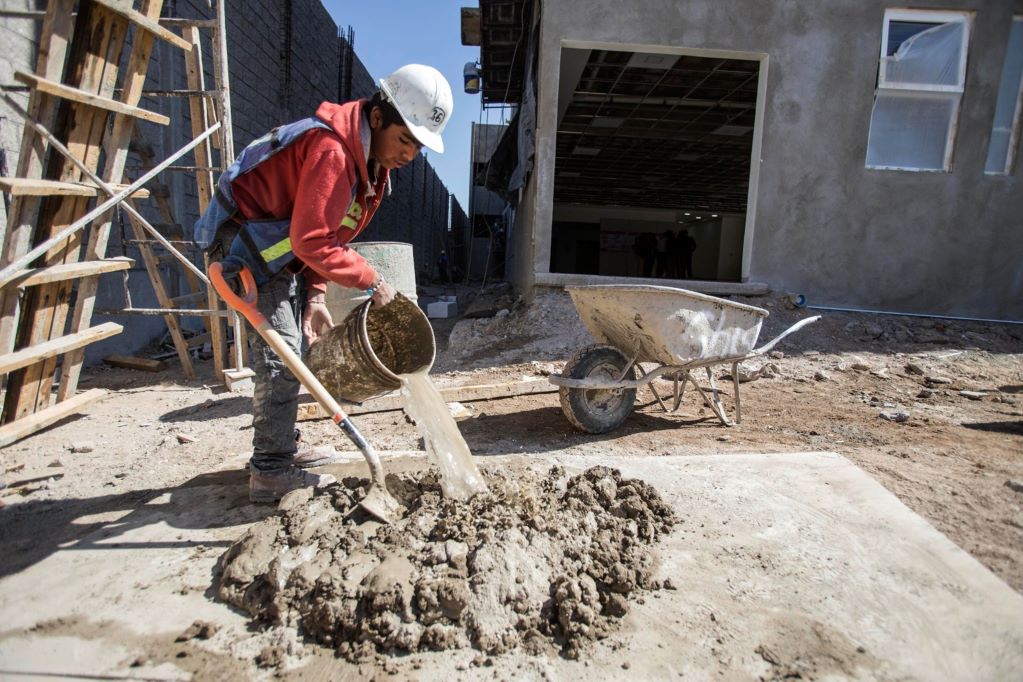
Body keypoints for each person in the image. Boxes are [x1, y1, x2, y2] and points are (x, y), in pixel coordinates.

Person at [194, 64, 453, 503]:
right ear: (377, 117)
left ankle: (282, 446)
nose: (410, 154)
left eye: (418, 146)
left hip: (278, 249)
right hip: (242, 247)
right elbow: (312, 240)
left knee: (293, 350)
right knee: (282, 358)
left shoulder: (370, 166)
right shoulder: (333, 150)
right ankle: (270, 471)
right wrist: (373, 279)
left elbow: (330, 234)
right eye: (405, 139)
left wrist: (315, 295)